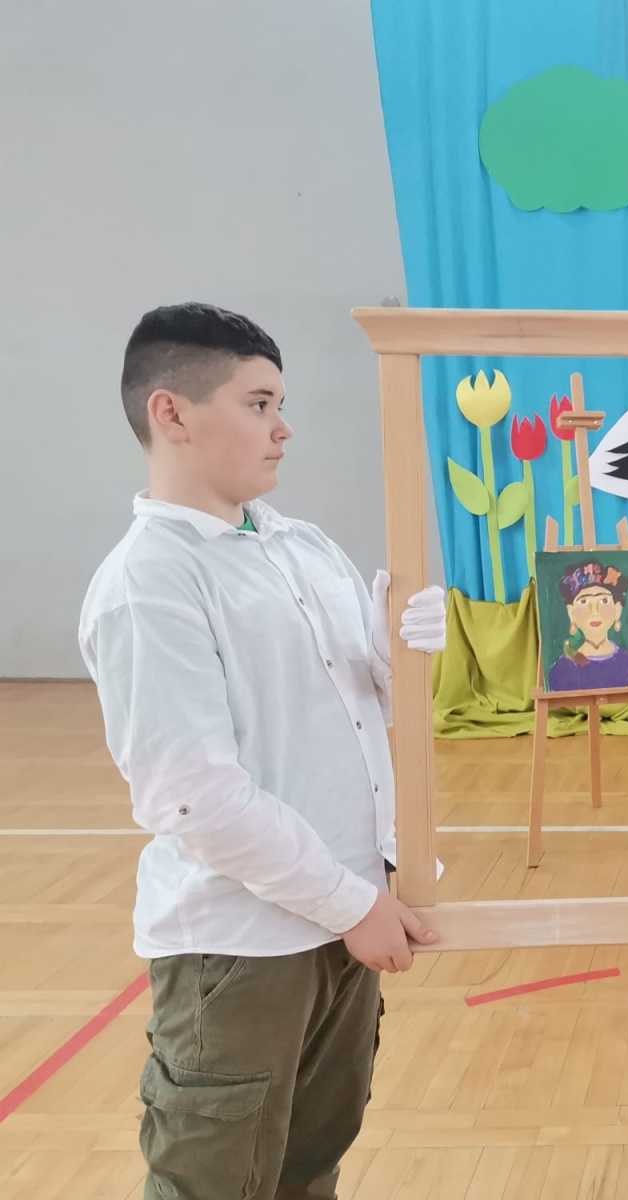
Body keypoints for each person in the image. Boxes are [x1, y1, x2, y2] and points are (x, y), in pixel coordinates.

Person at [78, 302, 450, 1199]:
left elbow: (360, 716)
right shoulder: (150, 582)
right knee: (218, 1183)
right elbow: (195, 795)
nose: (284, 429)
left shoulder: (299, 545)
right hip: (241, 950)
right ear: (171, 413)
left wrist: (401, 656)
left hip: (345, 923)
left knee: (307, 1167)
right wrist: (350, 903)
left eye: (280, 404)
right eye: (258, 404)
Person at [545, 559, 628, 690]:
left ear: (617, 609)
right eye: (584, 602)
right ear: (571, 612)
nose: (595, 611)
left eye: (604, 600)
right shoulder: (563, 669)